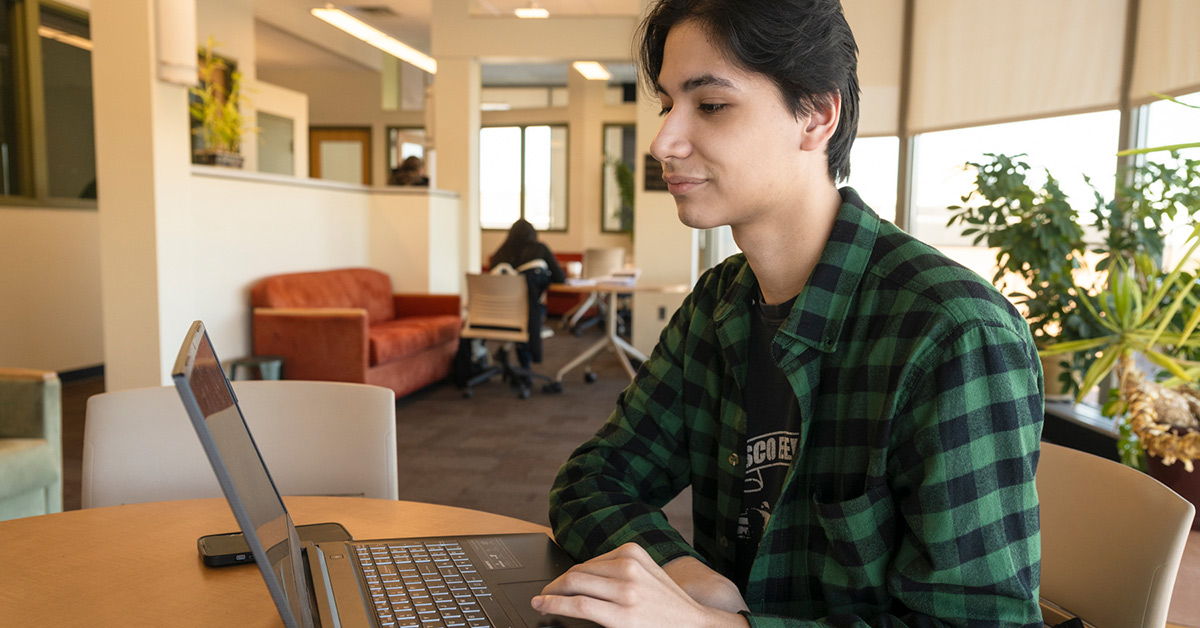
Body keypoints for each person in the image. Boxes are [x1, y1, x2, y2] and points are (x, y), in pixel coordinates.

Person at [535, 1, 1044, 627]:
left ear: (817, 116)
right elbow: (593, 479)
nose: (664, 140)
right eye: (668, 104)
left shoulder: (950, 333)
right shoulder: (720, 302)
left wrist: (712, 626)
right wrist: (684, 573)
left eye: (712, 105)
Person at [490, 219, 566, 370]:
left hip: (495, 314)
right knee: (529, 305)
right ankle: (524, 368)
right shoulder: (539, 249)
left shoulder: (499, 255)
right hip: (528, 314)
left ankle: (506, 353)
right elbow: (560, 278)